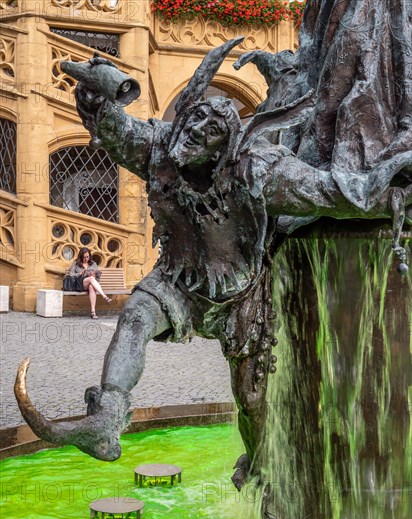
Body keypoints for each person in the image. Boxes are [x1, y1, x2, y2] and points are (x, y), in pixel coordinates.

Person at [15, 36, 411, 467]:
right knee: (135, 317)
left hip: (242, 301)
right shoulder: (157, 148)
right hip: (178, 281)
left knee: (254, 402)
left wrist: (386, 188)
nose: (200, 127)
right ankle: (107, 419)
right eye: (198, 116)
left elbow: (327, 192)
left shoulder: (256, 171)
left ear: (224, 148)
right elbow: (113, 129)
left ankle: (263, 474)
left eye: (214, 129)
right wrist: (94, 95)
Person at [69, 247, 112, 319]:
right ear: (81, 257)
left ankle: (93, 312)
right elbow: (71, 274)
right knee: (91, 279)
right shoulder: (76, 263)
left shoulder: (93, 263)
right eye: (84, 257)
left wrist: (94, 274)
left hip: (90, 283)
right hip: (80, 284)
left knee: (91, 287)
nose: (86, 259)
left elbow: (98, 275)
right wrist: (80, 274)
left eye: (87, 257)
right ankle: (104, 296)